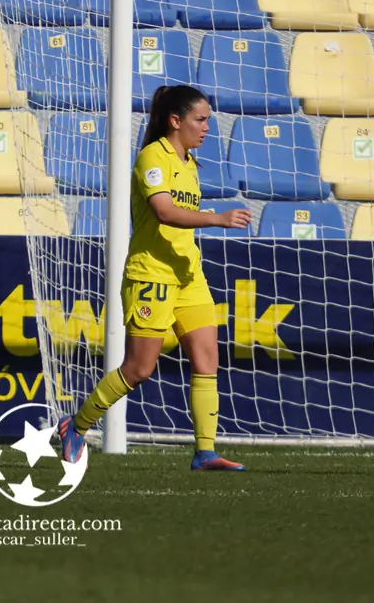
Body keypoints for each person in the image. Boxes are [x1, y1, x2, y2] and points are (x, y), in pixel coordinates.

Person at [58, 85, 251, 471]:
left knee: (207, 359)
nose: (207, 127)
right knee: (139, 368)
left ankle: (205, 452)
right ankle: (75, 426)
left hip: (188, 275)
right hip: (151, 275)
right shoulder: (152, 157)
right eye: (200, 120)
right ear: (175, 121)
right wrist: (217, 218)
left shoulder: (189, 163)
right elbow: (163, 211)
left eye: (208, 120)